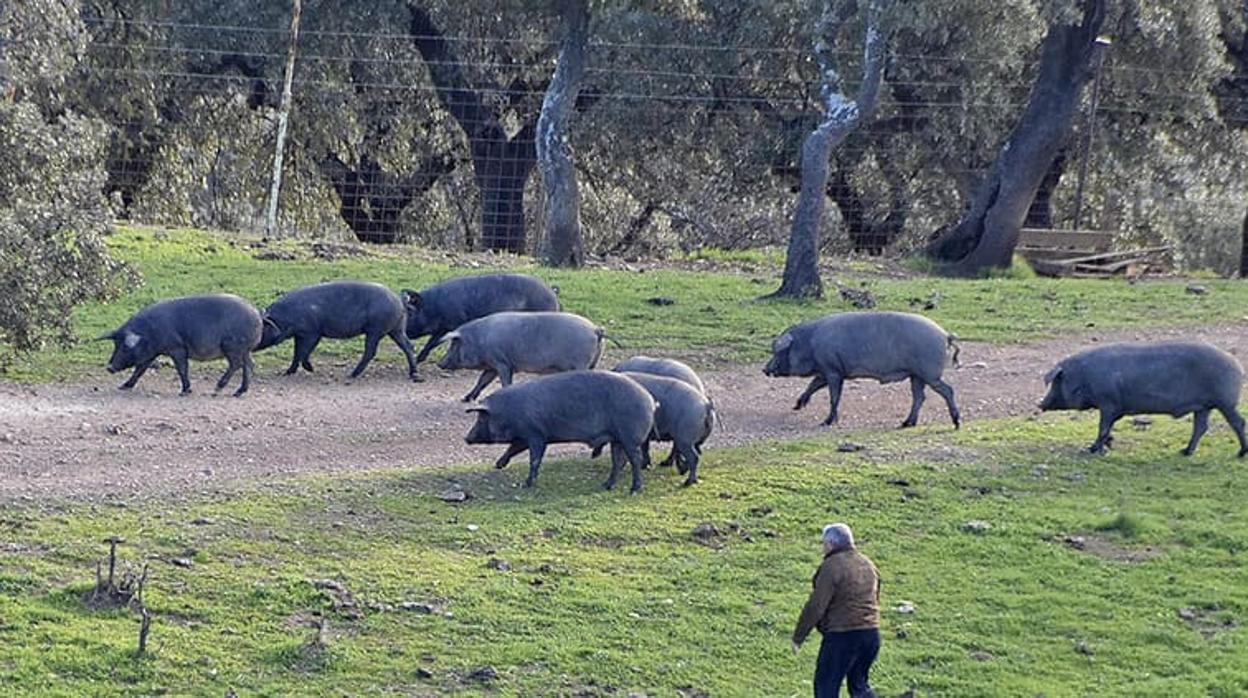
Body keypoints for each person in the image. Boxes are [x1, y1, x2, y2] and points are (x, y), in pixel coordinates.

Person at [792, 523, 881, 698]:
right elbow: (876, 596)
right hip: (871, 635)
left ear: (830, 544)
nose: (822, 548)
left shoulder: (831, 566)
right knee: (859, 685)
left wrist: (799, 637)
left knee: (826, 686)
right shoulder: (868, 564)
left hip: (843, 636)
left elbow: (816, 606)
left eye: (823, 544)